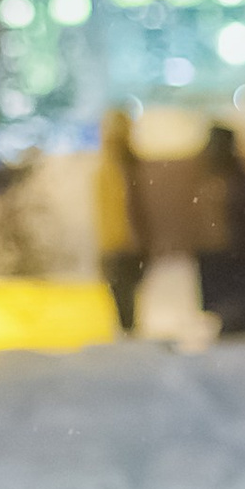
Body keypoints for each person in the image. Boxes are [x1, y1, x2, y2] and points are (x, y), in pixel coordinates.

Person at [187, 120, 245, 339]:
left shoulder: (206, 174)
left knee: (228, 305)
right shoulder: (231, 177)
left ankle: (235, 327)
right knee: (237, 304)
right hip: (230, 250)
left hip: (218, 250)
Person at [94, 106, 147, 336]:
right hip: (121, 243)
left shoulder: (116, 165)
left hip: (121, 243)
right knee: (125, 296)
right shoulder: (120, 166)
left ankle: (128, 334)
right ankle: (128, 334)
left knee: (126, 295)